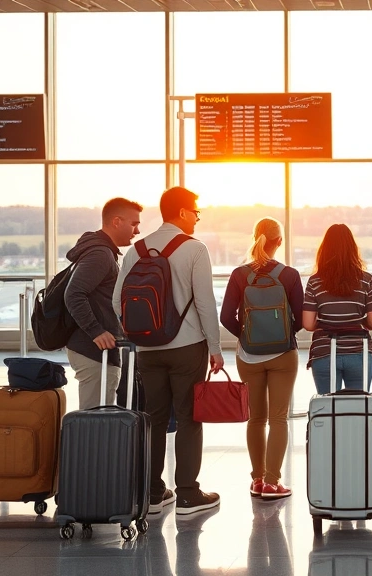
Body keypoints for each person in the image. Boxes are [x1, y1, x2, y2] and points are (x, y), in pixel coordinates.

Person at [113, 186, 224, 516]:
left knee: (155, 418)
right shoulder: (194, 249)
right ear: (183, 212)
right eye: (196, 212)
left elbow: (116, 299)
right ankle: (188, 494)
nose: (197, 219)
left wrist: (139, 332)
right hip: (187, 347)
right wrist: (215, 347)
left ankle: (153, 492)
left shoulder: (136, 249)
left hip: (147, 348)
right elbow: (205, 302)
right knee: (189, 417)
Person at [220, 218, 303, 500]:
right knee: (278, 418)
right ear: (279, 241)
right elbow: (302, 318)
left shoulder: (239, 274)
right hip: (283, 354)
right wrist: (284, 335)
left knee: (255, 419)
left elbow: (225, 318)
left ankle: (256, 480)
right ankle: (272, 482)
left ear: (255, 237)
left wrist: (245, 337)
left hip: (249, 356)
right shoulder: (289, 275)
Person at [64, 197, 142, 410]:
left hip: (97, 350)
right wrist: (96, 331)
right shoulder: (100, 254)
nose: (137, 231)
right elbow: (74, 294)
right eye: (134, 224)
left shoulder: (103, 251)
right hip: (93, 351)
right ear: (116, 221)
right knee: (95, 421)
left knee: (100, 417)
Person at [302, 224, 372, 393]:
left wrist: (329, 323)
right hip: (359, 351)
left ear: (324, 250)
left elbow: (308, 324)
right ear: (353, 249)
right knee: (358, 410)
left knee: (328, 411)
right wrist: (357, 321)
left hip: (324, 352)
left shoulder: (314, 282)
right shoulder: (366, 280)